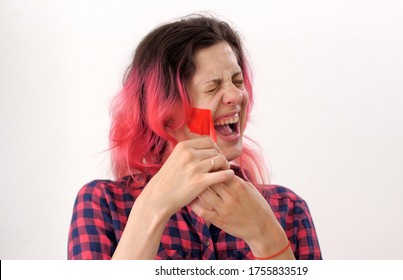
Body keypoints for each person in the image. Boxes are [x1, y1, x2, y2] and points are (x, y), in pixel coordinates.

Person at [68, 14, 322, 260]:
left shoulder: (287, 209)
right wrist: (153, 208)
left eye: (237, 80)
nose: (236, 96)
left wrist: (266, 237)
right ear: (165, 112)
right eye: (212, 87)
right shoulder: (104, 204)